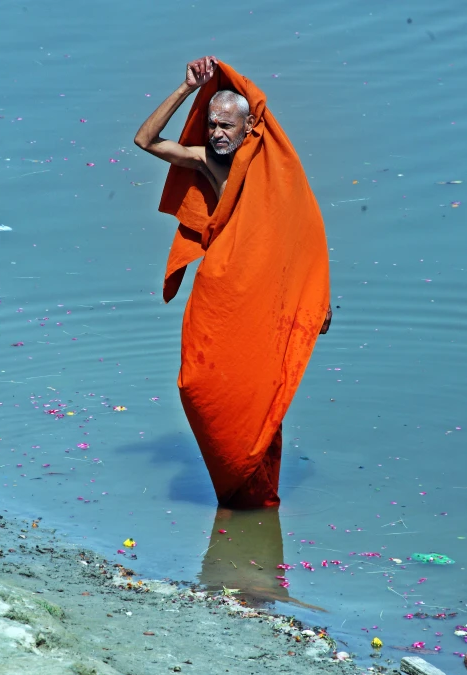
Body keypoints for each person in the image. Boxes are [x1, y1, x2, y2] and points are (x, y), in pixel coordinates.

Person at [135, 57, 331, 510]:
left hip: (262, 295)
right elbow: (145, 140)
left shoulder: (270, 170)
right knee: (196, 383)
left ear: (248, 130)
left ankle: (252, 485)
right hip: (222, 290)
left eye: (228, 126)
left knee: (261, 387)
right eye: (213, 124)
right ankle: (232, 467)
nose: (218, 133)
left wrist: (318, 301)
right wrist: (186, 89)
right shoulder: (206, 160)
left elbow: (302, 236)